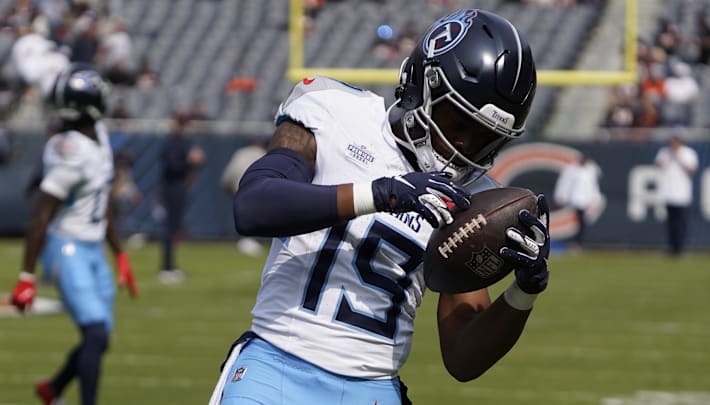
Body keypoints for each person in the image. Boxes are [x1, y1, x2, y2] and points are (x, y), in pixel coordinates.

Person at [209, 9, 549, 405]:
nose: (465, 149)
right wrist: (382, 193)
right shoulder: (333, 109)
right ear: (422, 85)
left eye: (487, 139)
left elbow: (462, 358)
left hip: (373, 388)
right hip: (276, 365)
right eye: (458, 124)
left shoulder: (474, 199)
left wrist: (523, 293)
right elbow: (254, 205)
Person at [10, 64, 137, 405]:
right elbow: (41, 214)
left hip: (93, 249)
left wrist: (120, 253)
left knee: (101, 337)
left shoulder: (99, 135)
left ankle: (52, 391)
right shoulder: (68, 149)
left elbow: (101, 201)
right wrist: (26, 276)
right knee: (94, 334)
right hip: (66, 247)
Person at [157, 111, 206, 284]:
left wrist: (197, 161)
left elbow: (193, 162)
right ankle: (166, 267)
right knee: (170, 228)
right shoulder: (170, 141)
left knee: (175, 227)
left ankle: (170, 266)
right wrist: (189, 161)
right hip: (172, 187)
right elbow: (172, 166)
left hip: (180, 187)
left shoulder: (185, 141)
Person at [220, 139, 268, 256]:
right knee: (253, 217)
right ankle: (247, 241)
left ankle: (243, 240)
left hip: (239, 188)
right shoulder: (264, 154)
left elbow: (230, 173)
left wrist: (226, 186)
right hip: (257, 190)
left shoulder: (241, 152)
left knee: (240, 217)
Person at [654, 132, 698, 256]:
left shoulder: (688, 153)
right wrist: (670, 156)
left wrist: (678, 156)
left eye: (676, 140)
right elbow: (658, 164)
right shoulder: (665, 152)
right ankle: (672, 248)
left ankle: (680, 248)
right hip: (668, 193)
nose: (674, 143)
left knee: (681, 223)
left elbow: (692, 170)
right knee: (671, 223)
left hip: (682, 194)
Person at [554, 154, 602, 249]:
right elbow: (565, 184)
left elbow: (593, 186)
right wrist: (561, 197)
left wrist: (595, 199)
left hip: (586, 200)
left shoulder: (590, 170)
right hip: (574, 199)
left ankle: (579, 242)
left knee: (581, 222)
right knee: (578, 222)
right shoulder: (571, 169)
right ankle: (577, 242)